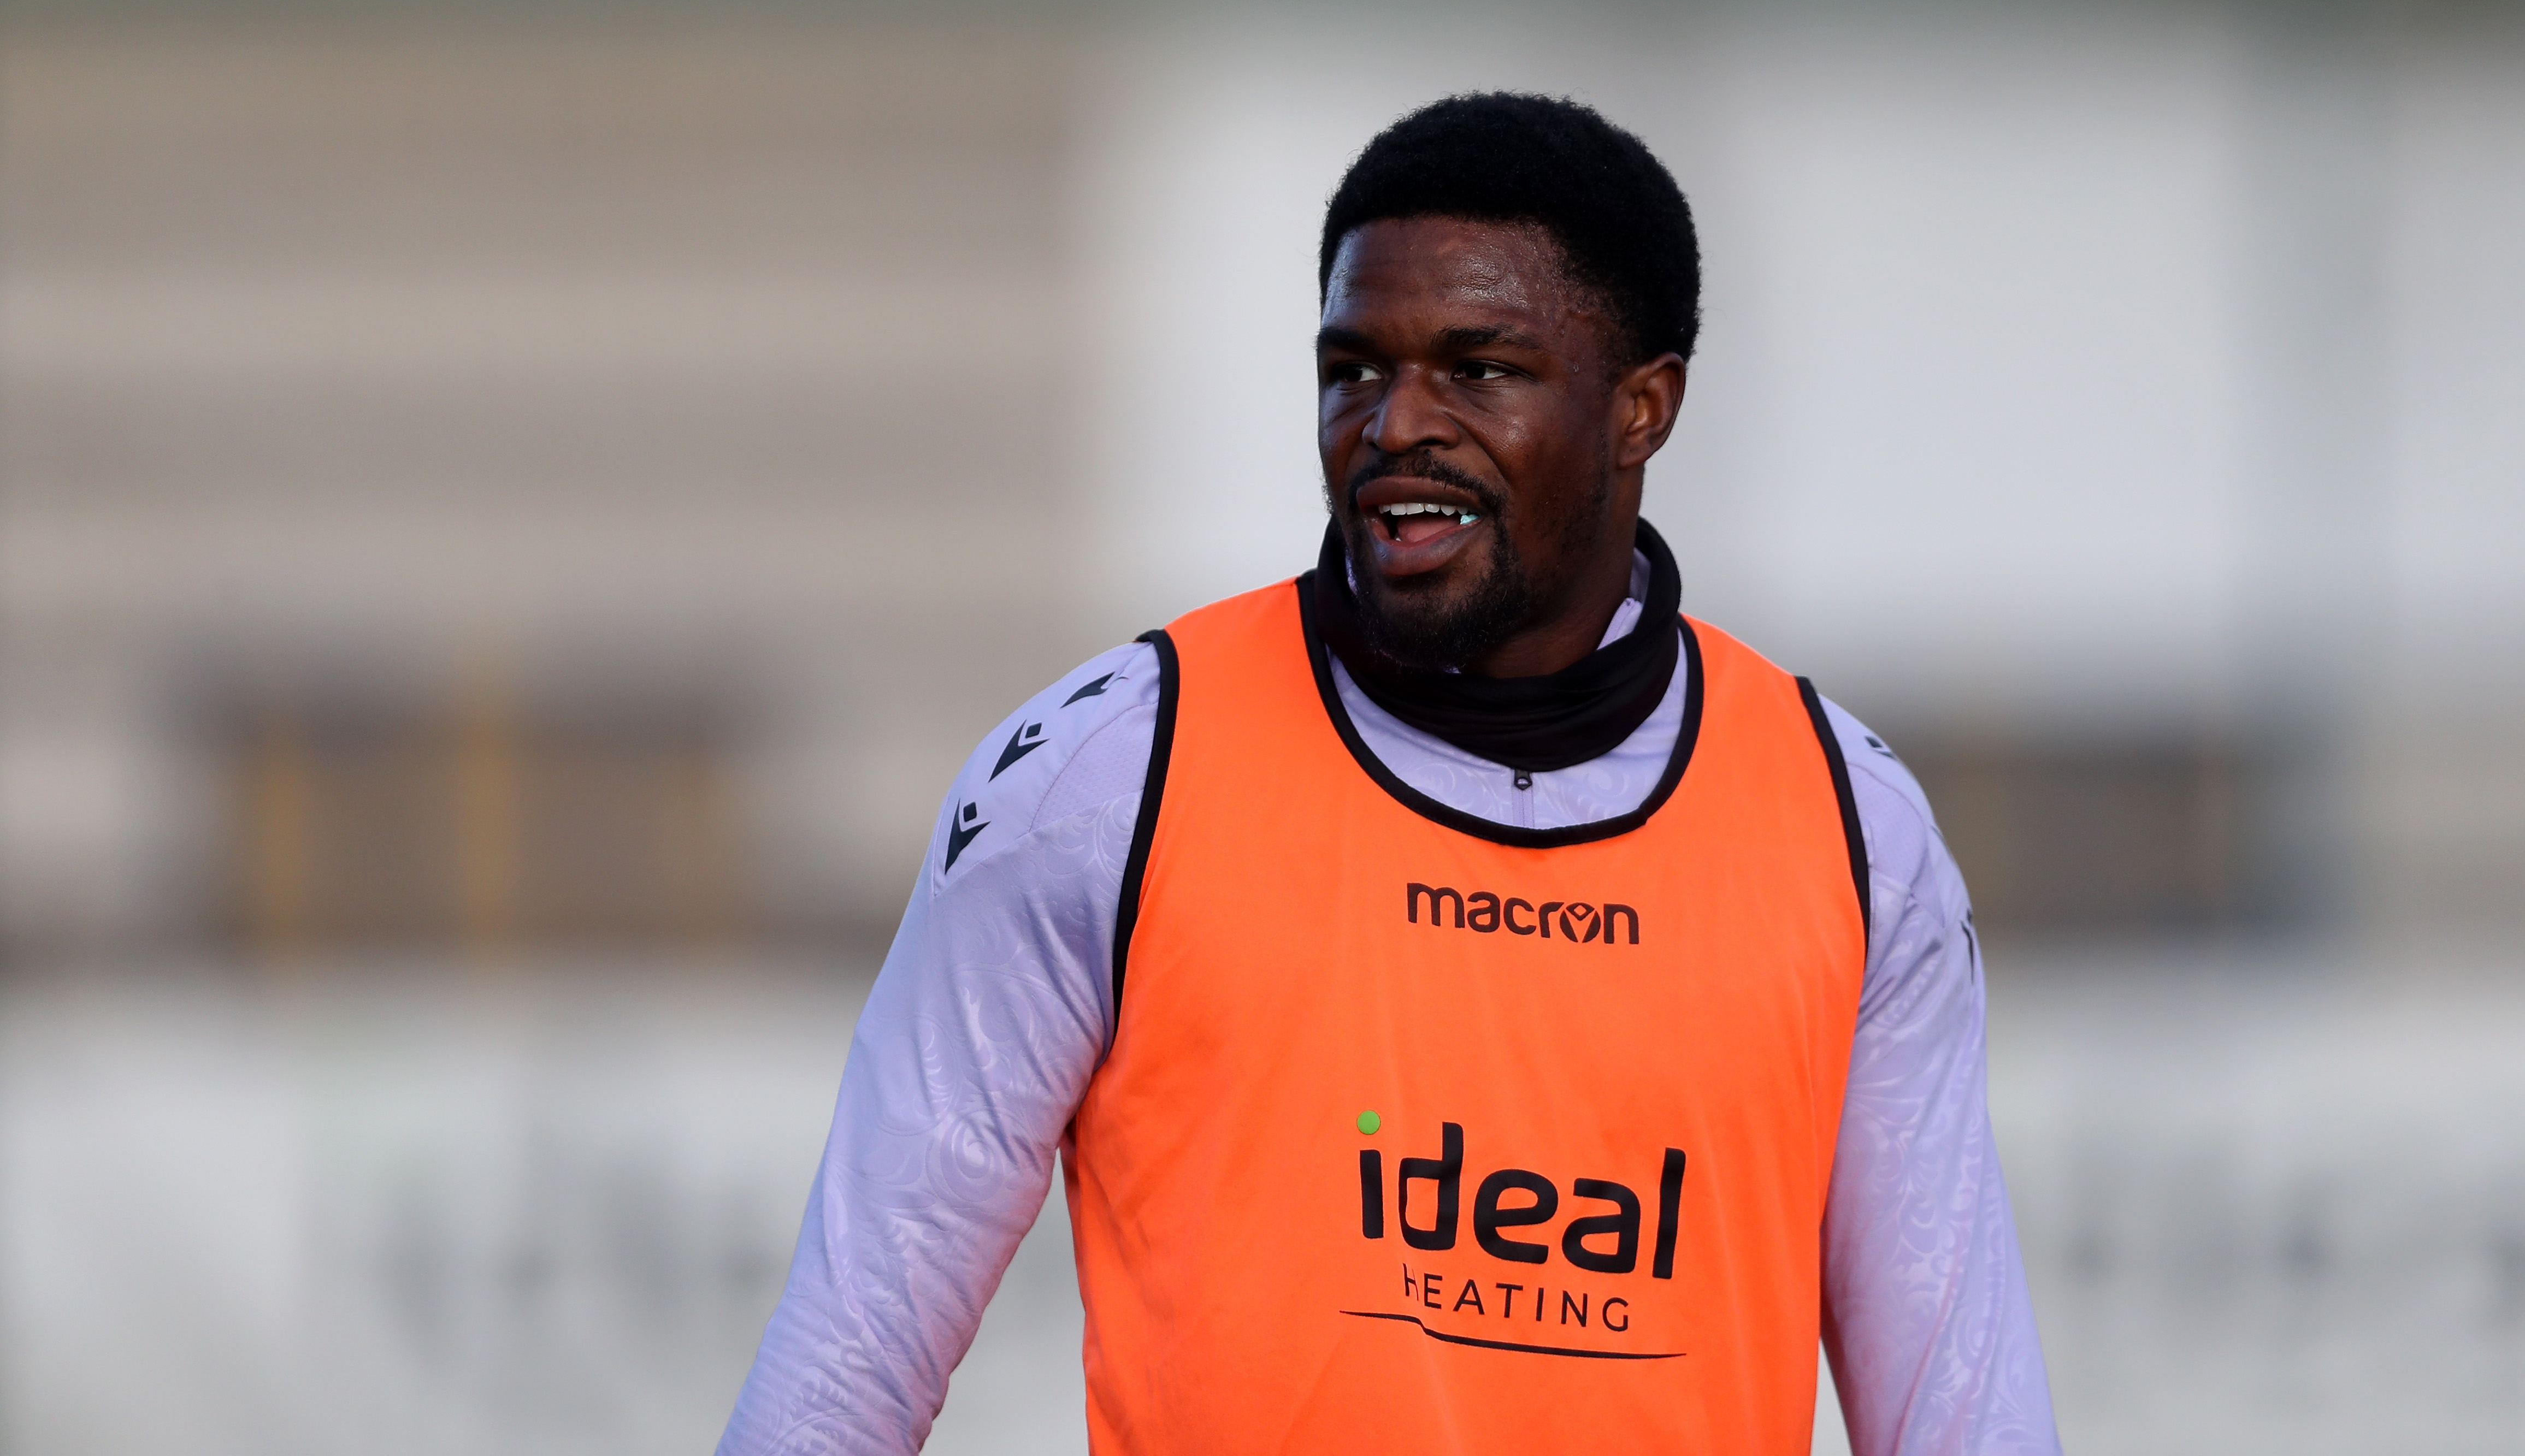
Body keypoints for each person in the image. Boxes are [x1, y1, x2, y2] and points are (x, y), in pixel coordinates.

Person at [718, 93, 2061, 1454]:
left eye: (1476, 369)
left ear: (1640, 410)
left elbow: (1965, 1409)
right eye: (1352, 367)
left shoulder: (1846, 825)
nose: (1392, 424)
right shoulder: (1106, 772)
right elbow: (845, 1366)